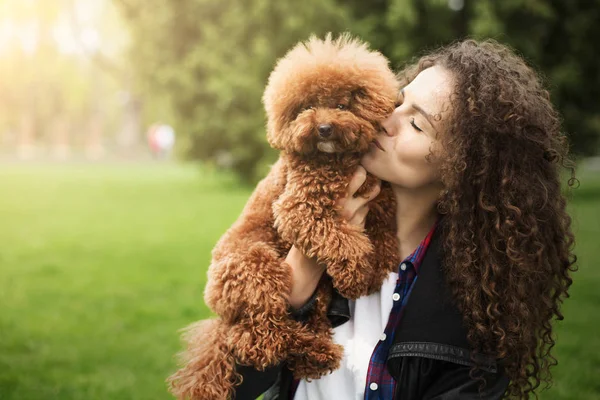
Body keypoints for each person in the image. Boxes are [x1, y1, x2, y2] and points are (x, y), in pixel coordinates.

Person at [234, 39, 577, 400]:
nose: (385, 121)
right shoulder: (305, 213)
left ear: (462, 166)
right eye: (398, 101)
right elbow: (228, 387)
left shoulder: (479, 304)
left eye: (416, 124)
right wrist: (303, 266)